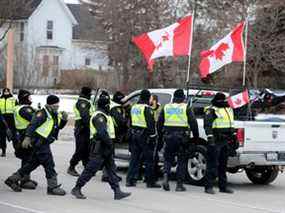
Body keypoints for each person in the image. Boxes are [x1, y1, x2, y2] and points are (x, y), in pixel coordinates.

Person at [71, 92, 131, 200]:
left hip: (106, 147)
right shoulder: (99, 116)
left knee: (111, 170)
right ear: (106, 106)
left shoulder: (105, 115)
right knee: (90, 170)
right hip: (100, 147)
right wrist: (109, 144)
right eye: (108, 105)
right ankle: (77, 188)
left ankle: (117, 192)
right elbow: (102, 133)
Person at [5, 95, 68, 196]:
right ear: (49, 104)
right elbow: (32, 125)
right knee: (49, 165)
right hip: (40, 143)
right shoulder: (41, 114)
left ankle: (11, 179)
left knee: (31, 164)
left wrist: (64, 120)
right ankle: (52, 187)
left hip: (45, 142)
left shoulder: (53, 114)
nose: (57, 107)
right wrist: (27, 137)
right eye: (55, 105)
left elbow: (57, 127)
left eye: (58, 105)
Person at [157, 89, 199, 191]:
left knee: (168, 159)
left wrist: (160, 135)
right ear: (183, 98)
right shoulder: (186, 108)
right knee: (182, 160)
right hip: (182, 138)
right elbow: (193, 123)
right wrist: (196, 138)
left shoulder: (166, 107)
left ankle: (166, 178)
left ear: (174, 97)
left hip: (168, 137)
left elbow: (159, 123)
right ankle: (179, 185)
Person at [126, 89, 160, 188]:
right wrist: (153, 137)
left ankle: (130, 180)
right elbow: (151, 125)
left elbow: (131, 122)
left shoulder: (134, 107)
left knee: (134, 159)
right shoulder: (147, 109)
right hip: (144, 136)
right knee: (149, 159)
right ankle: (150, 182)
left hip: (134, 135)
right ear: (147, 97)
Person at [203, 92, 235, 194]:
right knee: (212, 164)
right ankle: (208, 187)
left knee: (223, 165)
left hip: (226, 140)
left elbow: (231, 123)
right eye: (221, 99)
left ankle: (223, 186)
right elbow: (207, 126)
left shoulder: (228, 109)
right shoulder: (212, 110)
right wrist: (210, 139)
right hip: (216, 140)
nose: (223, 101)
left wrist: (233, 137)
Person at [13, 89, 38, 189]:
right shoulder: (24, 109)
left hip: (23, 134)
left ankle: (26, 177)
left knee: (28, 157)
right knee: (27, 158)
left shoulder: (19, 107)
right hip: (26, 135)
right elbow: (35, 119)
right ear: (25, 97)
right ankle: (24, 180)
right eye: (29, 97)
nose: (31, 98)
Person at [67, 87, 95, 177]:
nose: (91, 95)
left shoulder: (86, 102)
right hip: (82, 128)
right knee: (80, 149)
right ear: (87, 94)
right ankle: (71, 167)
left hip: (85, 128)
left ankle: (87, 167)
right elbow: (85, 116)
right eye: (90, 94)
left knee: (87, 149)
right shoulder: (82, 102)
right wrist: (91, 126)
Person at [101, 91, 126, 182]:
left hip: (110, 134)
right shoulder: (115, 108)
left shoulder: (113, 106)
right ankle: (107, 175)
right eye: (123, 99)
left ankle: (110, 174)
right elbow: (119, 122)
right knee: (109, 155)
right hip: (111, 135)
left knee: (109, 156)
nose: (124, 101)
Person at [0, 88, 17, 157]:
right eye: (5, 91)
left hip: (11, 118)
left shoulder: (13, 99)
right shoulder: (0, 99)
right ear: (3, 92)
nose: (6, 92)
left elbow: (17, 108)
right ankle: (3, 151)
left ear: (9, 92)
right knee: (2, 136)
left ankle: (17, 150)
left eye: (7, 91)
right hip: (2, 119)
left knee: (13, 135)